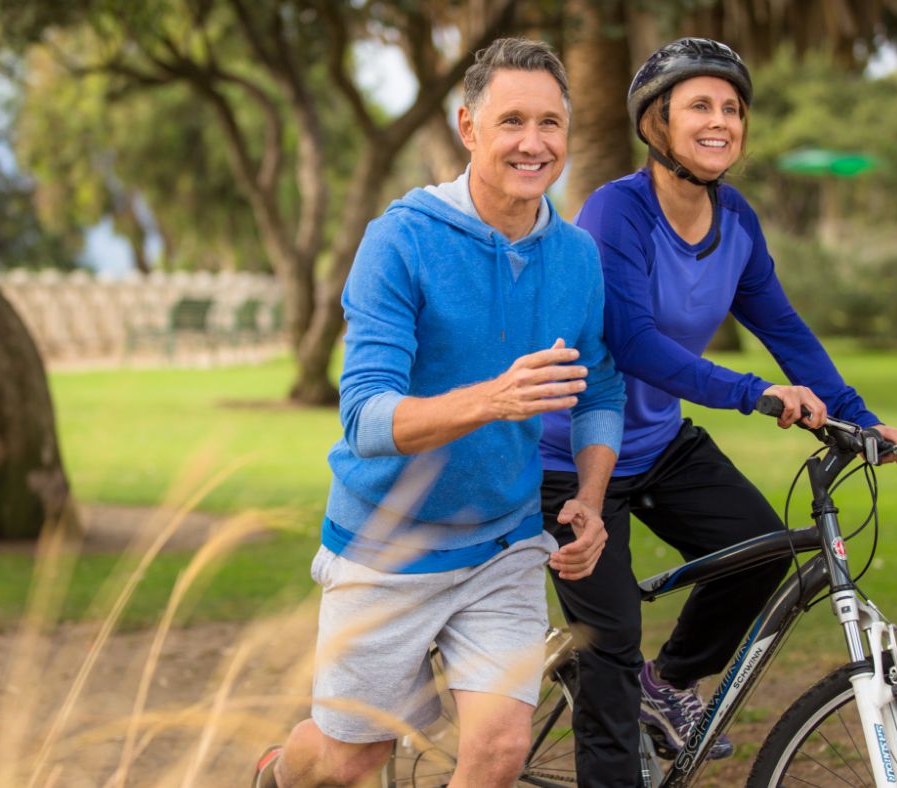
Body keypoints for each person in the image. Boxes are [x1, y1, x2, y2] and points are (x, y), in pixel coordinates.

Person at [538, 38, 897, 785]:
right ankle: (616, 707)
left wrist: (857, 415)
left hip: (660, 443)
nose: (720, 121)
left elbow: (783, 328)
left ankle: (669, 683)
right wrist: (754, 393)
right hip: (569, 456)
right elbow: (632, 342)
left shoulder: (734, 219)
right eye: (700, 107)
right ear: (658, 123)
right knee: (610, 647)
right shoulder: (617, 211)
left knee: (762, 551)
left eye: (732, 109)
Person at [254, 38, 625, 788]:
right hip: (385, 547)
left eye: (550, 123)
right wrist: (493, 398)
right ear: (468, 128)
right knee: (350, 757)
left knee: (499, 750)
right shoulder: (400, 240)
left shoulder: (577, 257)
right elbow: (365, 418)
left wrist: (589, 498)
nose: (533, 143)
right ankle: (278, 772)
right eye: (512, 121)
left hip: (503, 544)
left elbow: (599, 389)